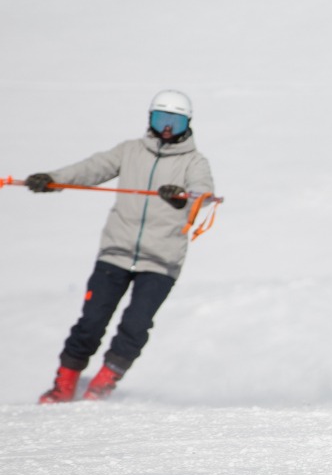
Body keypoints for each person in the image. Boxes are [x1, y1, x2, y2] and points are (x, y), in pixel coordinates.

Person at [29, 89, 215, 403]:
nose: (167, 127)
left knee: (136, 325)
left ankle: (102, 384)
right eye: (161, 118)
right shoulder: (130, 151)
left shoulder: (194, 162)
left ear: (188, 124)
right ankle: (63, 386)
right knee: (90, 322)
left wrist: (182, 196)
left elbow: (203, 193)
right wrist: (53, 179)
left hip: (161, 260)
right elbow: (91, 169)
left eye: (175, 121)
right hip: (116, 253)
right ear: (150, 119)